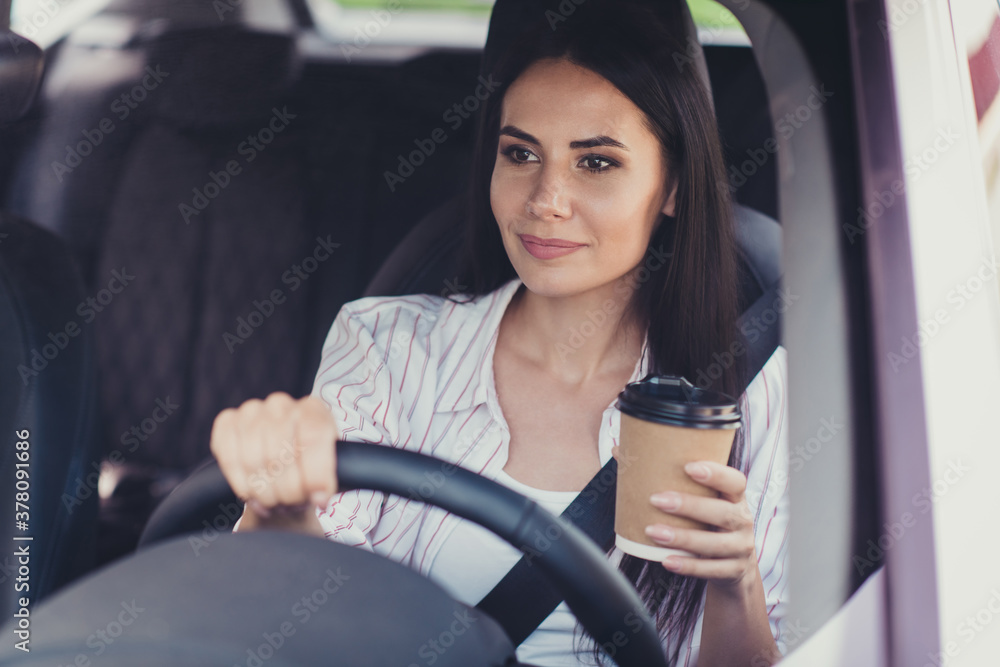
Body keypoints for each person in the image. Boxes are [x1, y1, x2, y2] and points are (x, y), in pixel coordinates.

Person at [211, 2, 789, 665]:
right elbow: (308, 628)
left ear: (674, 186)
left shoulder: (749, 394)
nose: (545, 198)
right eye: (520, 153)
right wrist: (280, 511)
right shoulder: (386, 349)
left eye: (595, 163)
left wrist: (732, 582)